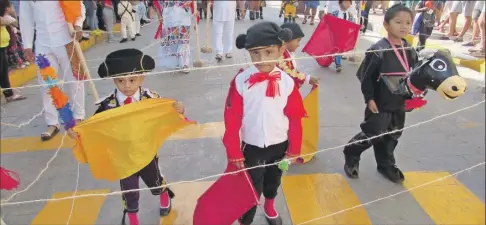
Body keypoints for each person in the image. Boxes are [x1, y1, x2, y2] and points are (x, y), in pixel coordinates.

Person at [226, 21, 306, 225]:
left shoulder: (288, 82)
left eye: (269, 52)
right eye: (255, 54)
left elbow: (295, 117)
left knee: (274, 180)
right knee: (251, 186)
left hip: (280, 145)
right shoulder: (240, 81)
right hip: (252, 147)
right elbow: (232, 119)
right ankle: (246, 220)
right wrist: (233, 150)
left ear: (281, 50)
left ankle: (270, 206)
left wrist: (294, 148)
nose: (261, 60)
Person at [94, 48, 184, 225]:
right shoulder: (108, 104)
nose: (126, 86)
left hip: (146, 153)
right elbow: (93, 126)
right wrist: (77, 131)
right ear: (113, 80)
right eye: (120, 81)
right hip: (122, 157)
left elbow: (167, 111)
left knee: (155, 182)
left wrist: (178, 109)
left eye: (132, 80)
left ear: (142, 78)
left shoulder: (150, 98)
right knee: (129, 191)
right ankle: (133, 219)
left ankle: (164, 195)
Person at [343, 4, 418, 183]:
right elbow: (365, 77)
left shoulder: (410, 50)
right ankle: (352, 153)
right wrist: (369, 98)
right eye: (398, 22)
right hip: (380, 102)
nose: (404, 26)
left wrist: (415, 95)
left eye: (408, 22)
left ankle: (385, 164)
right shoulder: (378, 50)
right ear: (386, 25)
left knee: (393, 135)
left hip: (399, 103)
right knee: (372, 134)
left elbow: (414, 75)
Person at [19, 1, 86, 141]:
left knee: (75, 80)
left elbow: (79, 7)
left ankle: (78, 116)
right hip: (43, 43)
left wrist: (78, 25)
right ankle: (52, 122)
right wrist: (27, 45)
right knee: (46, 84)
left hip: (67, 39)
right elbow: (26, 18)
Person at [154, 0, 196, 73]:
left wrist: (191, 6)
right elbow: (157, 2)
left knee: (184, 41)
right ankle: (176, 62)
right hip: (169, 19)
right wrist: (159, 15)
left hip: (184, 18)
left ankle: (184, 64)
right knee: (172, 43)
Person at [279, 22, 319, 89]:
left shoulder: (287, 52)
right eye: (298, 41)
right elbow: (289, 73)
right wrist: (307, 78)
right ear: (286, 40)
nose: (298, 45)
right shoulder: (281, 56)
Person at [1, 0, 26, 103]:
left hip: (2, 46)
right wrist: (10, 17)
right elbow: (6, 21)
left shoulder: (4, 16)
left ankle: (9, 95)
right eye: (11, 6)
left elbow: (16, 23)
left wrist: (11, 15)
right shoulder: (4, 18)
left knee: (3, 73)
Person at [329, 0, 355, 73]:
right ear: (340, 3)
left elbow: (352, 25)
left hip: (345, 35)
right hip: (336, 35)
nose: (348, 4)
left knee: (340, 49)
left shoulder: (350, 15)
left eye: (349, 3)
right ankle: (338, 64)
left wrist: (359, 27)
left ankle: (335, 58)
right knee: (338, 48)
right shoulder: (335, 13)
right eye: (346, 2)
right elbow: (330, 22)